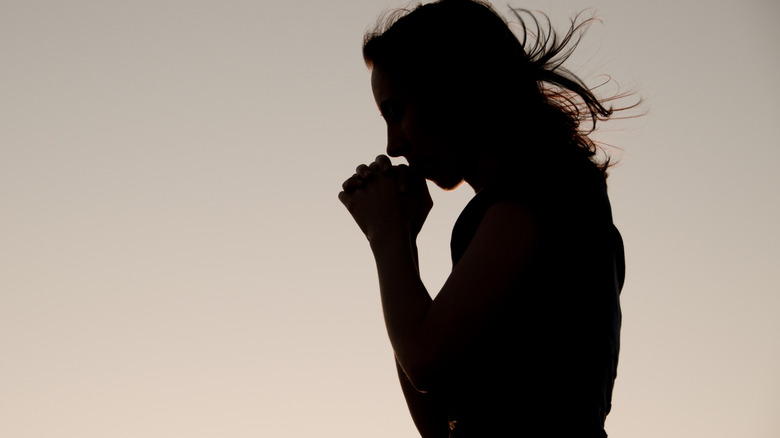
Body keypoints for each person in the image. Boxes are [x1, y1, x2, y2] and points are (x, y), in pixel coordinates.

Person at [338, 1, 629, 436]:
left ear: (453, 89)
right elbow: (441, 422)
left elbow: (423, 357)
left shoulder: (538, 194)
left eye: (397, 113)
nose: (393, 145)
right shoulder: (549, 196)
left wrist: (388, 237)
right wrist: (403, 243)